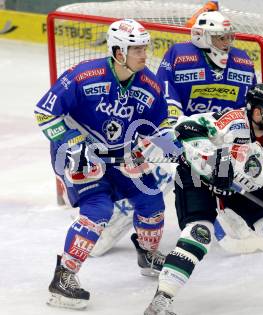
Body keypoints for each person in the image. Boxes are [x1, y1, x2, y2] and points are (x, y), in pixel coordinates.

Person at [144, 83, 263, 315]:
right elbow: (185, 127)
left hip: (243, 187)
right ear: (258, 112)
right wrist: (212, 161)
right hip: (198, 179)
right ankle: (162, 300)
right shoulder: (232, 121)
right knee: (199, 232)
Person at [34, 19, 180, 310]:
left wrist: (176, 148)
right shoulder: (82, 75)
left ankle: (148, 254)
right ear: (117, 51)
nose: (144, 54)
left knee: (151, 198)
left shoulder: (148, 83)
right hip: (79, 152)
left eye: (145, 48)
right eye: (136, 49)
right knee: (99, 209)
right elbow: (44, 113)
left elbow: (160, 125)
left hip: (121, 153)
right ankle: (64, 276)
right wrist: (73, 143)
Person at [93, 10, 258, 256]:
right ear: (202, 36)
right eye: (220, 37)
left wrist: (233, 140)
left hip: (220, 137)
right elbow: (165, 98)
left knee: (238, 165)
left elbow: (247, 108)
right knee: (163, 170)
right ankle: (117, 220)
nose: (226, 43)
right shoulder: (180, 56)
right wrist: (177, 133)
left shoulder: (242, 62)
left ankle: (230, 212)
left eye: (228, 37)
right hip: (181, 132)